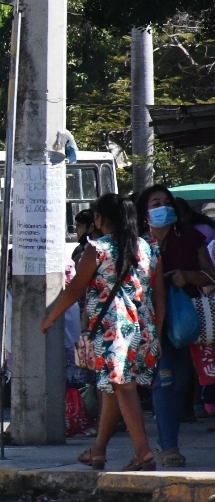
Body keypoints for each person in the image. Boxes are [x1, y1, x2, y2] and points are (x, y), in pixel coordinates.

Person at [41, 193, 162, 471]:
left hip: (113, 327)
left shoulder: (97, 248)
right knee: (109, 389)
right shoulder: (148, 248)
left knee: (123, 387)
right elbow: (160, 294)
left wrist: (50, 318)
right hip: (143, 326)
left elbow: (74, 289)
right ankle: (98, 451)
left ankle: (143, 452)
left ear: (100, 218)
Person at [137, 184, 215, 467]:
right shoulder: (140, 244)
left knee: (180, 381)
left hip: (187, 322)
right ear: (145, 212)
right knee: (166, 380)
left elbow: (210, 275)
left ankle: (167, 443)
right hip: (151, 323)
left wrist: (187, 276)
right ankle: (168, 446)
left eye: (165, 202)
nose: (162, 207)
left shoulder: (190, 237)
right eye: (155, 203)